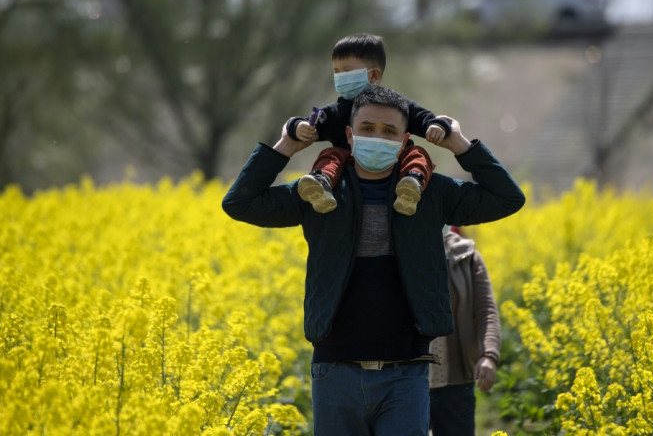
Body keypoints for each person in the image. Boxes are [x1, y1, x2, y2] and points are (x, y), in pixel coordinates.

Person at [222, 86, 525, 435]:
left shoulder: (431, 193)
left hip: (407, 373)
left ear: (404, 140)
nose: (377, 138)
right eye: (367, 129)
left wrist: (459, 144)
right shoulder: (319, 193)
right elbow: (239, 203)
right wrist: (287, 145)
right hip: (335, 372)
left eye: (389, 132)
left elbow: (508, 198)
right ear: (349, 135)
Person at [286, 32, 451, 216]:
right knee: (331, 155)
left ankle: (411, 185)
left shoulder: (394, 106)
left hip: (394, 165)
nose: (340, 77)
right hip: (350, 169)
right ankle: (320, 185)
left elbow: (424, 118)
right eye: (336, 72)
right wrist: (298, 127)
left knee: (417, 154)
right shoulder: (334, 112)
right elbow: (307, 123)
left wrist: (437, 126)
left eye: (347, 71)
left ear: (373, 76)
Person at [429, 226, 500, 436]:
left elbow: (486, 311)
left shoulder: (467, 255)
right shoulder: (399, 248)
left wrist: (489, 355)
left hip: (455, 381)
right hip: (406, 378)